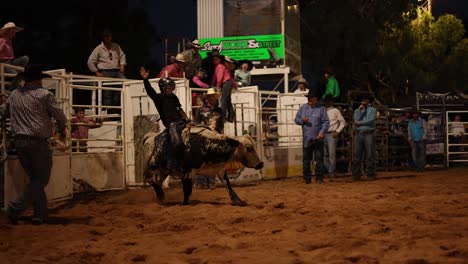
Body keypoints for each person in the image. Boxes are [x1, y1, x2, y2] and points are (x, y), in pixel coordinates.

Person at [1, 64, 66, 225]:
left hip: (19, 142)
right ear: (38, 79)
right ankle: (14, 208)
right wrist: (62, 129)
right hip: (37, 142)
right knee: (41, 179)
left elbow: (3, 112)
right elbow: (60, 116)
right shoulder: (44, 94)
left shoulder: (14, 94)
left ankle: (40, 214)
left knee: (35, 179)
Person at [140, 66, 189, 171]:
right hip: (171, 124)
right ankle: (172, 163)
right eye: (168, 87)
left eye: (171, 87)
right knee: (176, 142)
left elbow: (180, 110)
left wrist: (188, 119)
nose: (170, 89)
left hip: (181, 121)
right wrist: (145, 80)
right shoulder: (159, 98)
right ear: (162, 88)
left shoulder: (174, 97)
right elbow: (150, 92)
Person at [294, 89, 329, 184]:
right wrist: (302, 121)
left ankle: (319, 178)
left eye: (311, 98)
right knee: (306, 160)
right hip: (307, 138)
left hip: (318, 138)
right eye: (309, 98)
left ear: (315, 99)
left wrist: (321, 133)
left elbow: (326, 122)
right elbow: (296, 119)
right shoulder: (303, 108)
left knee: (319, 159)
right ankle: (307, 178)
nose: (310, 99)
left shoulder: (321, 109)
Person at [194, 88, 223, 189]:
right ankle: (200, 182)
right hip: (203, 137)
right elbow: (197, 124)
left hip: (215, 137)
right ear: (207, 98)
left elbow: (221, 125)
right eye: (210, 96)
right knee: (201, 160)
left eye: (213, 96)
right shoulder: (201, 110)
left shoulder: (219, 111)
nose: (212, 98)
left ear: (215, 98)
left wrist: (220, 136)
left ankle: (211, 181)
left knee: (213, 160)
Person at [352, 94, 377, 181]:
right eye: (363, 99)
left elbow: (371, 120)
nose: (364, 101)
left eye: (366, 99)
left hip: (368, 133)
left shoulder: (373, 110)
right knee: (356, 155)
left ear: (369, 101)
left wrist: (359, 123)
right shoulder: (357, 111)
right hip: (359, 133)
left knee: (370, 155)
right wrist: (360, 111)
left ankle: (370, 174)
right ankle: (356, 175)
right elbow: (356, 119)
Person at [323, 95, 346, 179]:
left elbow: (343, 122)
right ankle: (330, 171)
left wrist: (337, 131)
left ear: (332, 102)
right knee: (325, 155)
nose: (327, 102)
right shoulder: (323, 110)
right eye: (326, 101)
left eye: (329, 101)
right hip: (324, 134)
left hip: (332, 134)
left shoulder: (335, 110)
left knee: (331, 154)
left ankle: (331, 172)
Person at [212, 54, 236, 122]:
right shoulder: (224, 67)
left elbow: (219, 78)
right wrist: (234, 84)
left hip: (225, 84)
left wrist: (217, 86)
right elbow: (229, 78)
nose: (214, 60)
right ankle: (231, 115)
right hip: (227, 83)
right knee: (227, 100)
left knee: (224, 100)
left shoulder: (220, 66)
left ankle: (222, 116)